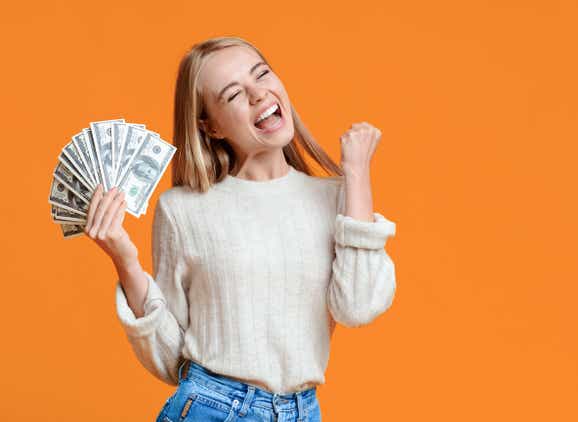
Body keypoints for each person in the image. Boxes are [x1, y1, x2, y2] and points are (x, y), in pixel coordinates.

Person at [83, 36, 397, 422]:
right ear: (210, 127)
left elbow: (357, 307)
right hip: (212, 408)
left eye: (261, 74)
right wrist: (124, 260)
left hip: (302, 411)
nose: (257, 94)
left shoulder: (334, 198)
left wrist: (356, 173)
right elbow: (170, 360)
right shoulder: (184, 210)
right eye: (233, 94)